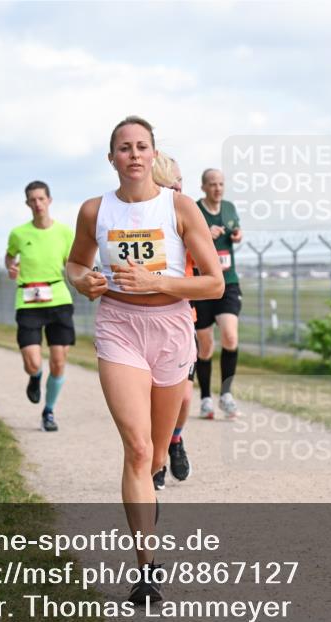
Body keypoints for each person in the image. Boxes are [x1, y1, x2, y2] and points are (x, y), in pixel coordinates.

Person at [66, 116, 223, 604]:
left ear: (154, 155)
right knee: (136, 450)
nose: (134, 155)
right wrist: (81, 280)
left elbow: (213, 283)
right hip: (119, 327)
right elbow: (74, 262)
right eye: (124, 148)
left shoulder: (180, 208)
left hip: (171, 328)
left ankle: (155, 479)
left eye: (142, 147)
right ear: (111, 157)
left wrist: (160, 282)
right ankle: (147, 570)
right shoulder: (95, 210)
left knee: (155, 454)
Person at [6, 181, 75, 432]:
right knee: (33, 362)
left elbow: (74, 263)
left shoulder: (65, 232)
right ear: (27, 204)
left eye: (41, 199)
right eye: (32, 200)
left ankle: (49, 411)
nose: (37, 204)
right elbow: (9, 256)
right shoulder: (18, 233)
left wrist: (84, 277)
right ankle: (35, 378)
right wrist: (11, 267)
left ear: (49, 200)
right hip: (28, 300)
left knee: (58, 361)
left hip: (58, 298)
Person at [151, 152, 191, 489]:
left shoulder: (185, 211)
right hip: (139, 322)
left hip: (181, 317)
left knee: (183, 398)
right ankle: (155, 459)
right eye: (173, 180)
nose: (180, 186)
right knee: (151, 397)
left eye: (181, 180)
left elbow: (208, 268)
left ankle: (173, 441)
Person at [192, 168, 244, 419]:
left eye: (221, 184)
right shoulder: (195, 210)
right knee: (205, 345)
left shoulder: (230, 208)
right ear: (203, 187)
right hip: (201, 284)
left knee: (230, 337)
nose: (217, 188)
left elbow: (237, 231)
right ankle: (205, 398)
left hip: (228, 282)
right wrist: (205, 236)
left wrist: (237, 236)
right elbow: (185, 241)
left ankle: (226, 394)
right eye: (212, 184)